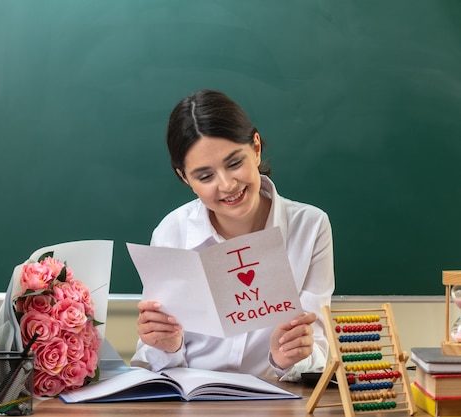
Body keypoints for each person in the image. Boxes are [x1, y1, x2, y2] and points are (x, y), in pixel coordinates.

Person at [130, 89, 335, 382]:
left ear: (255, 148)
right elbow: (156, 361)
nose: (227, 185)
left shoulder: (310, 227)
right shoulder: (172, 232)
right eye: (205, 176)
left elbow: (316, 354)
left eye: (234, 163)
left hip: (275, 401)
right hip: (192, 401)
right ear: (184, 178)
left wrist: (288, 357)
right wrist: (166, 346)